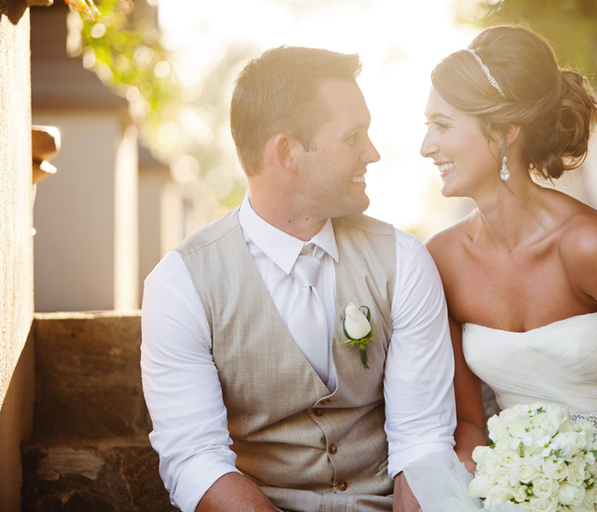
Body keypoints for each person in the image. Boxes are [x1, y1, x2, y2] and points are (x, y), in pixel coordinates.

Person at [408, 25, 597, 511]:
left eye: (443, 125)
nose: (427, 146)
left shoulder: (591, 244)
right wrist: (503, 489)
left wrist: (586, 496)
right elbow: (467, 422)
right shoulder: (441, 260)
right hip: (521, 481)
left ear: (505, 131)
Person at [140, 46, 456, 512]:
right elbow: (196, 458)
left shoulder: (403, 260)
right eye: (353, 136)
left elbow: (421, 437)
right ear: (286, 151)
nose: (372, 152)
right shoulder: (180, 284)